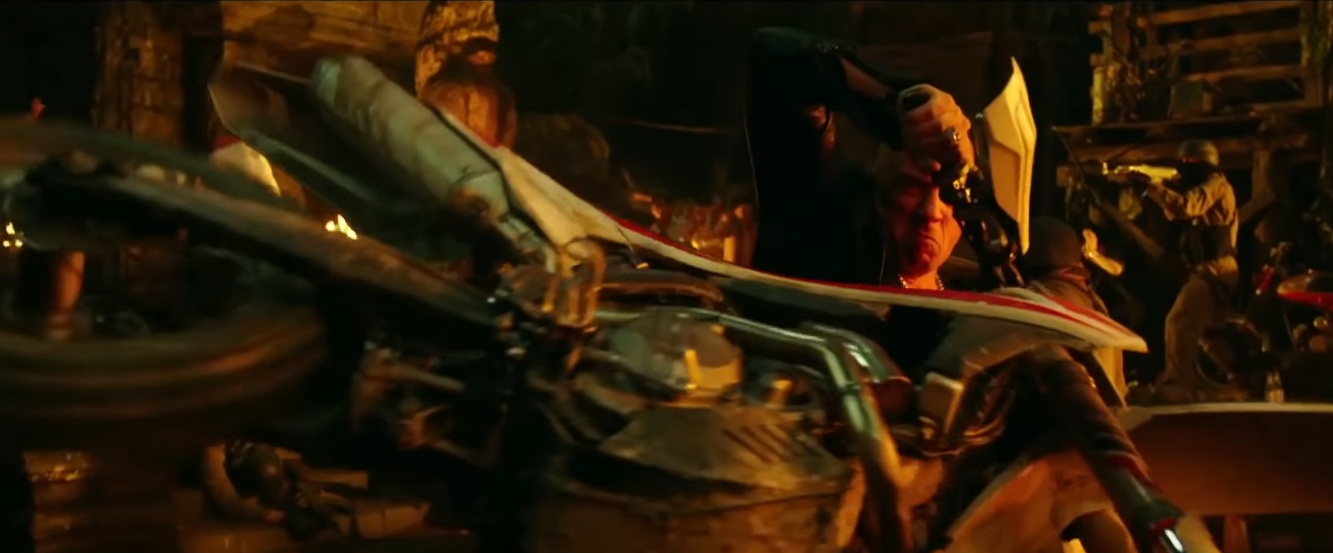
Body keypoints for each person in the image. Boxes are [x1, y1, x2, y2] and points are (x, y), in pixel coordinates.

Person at [744, 28, 973, 289]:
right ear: (879, 183)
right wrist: (897, 97)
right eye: (911, 186)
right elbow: (775, 56)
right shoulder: (821, 238)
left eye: (950, 191)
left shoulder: (975, 288)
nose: (931, 212)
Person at [1130, 139, 1239, 402]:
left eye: (1191, 162)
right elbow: (1174, 211)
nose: (1186, 167)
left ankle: (1177, 384)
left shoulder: (1217, 185)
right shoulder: (1205, 187)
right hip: (1210, 270)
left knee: (1178, 322)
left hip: (1215, 270)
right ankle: (1243, 376)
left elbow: (1184, 207)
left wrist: (1151, 186)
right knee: (1207, 333)